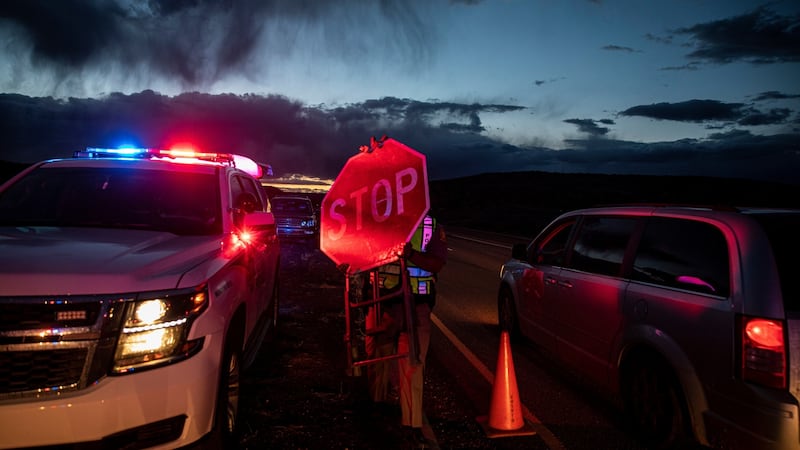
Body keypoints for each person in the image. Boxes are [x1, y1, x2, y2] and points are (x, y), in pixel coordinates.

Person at [372, 213, 447, 448]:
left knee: (413, 365)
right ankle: (376, 408)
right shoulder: (380, 218)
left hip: (417, 306)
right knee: (378, 359)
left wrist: (411, 255)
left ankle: (411, 425)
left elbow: (438, 263)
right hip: (384, 303)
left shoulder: (430, 225)